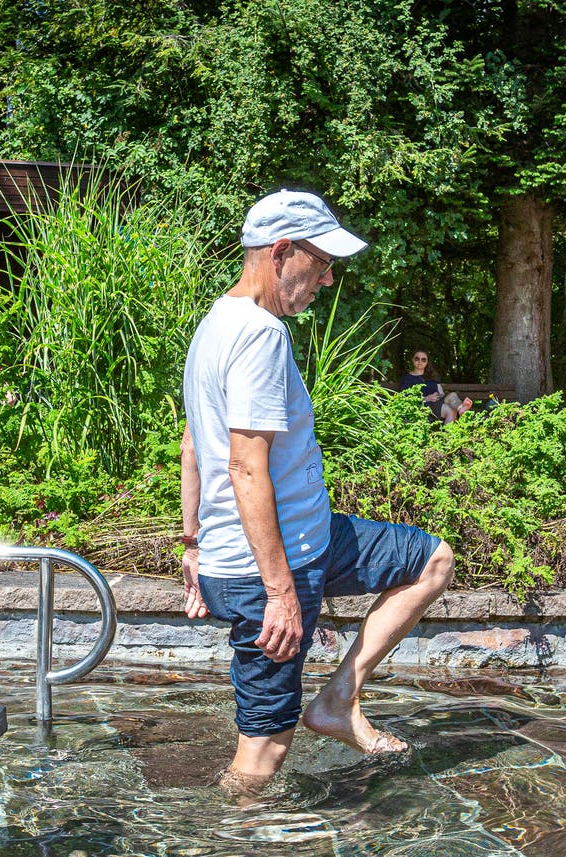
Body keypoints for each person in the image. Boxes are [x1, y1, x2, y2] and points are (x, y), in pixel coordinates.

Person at [179, 189, 457, 797]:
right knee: (264, 745)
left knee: (431, 558)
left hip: (301, 541)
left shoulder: (214, 324)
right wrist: (280, 594)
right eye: (322, 262)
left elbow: (193, 443)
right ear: (280, 253)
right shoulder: (258, 335)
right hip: (270, 570)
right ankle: (227, 833)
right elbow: (245, 467)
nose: (328, 279)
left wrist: (194, 543)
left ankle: (337, 700)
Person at [398, 350, 468, 423]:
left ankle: (461, 409)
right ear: (413, 360)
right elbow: (405, 399)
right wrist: (426, 398)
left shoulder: (432, 376)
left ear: (427, 362)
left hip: (436, 402)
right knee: (450, 410)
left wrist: (437, 396)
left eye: (423, 359)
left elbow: (441, 393)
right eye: (417, 358)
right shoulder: (407, 378)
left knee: (453, 395)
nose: (420, 361)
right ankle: (448, 433)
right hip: (422, 406)